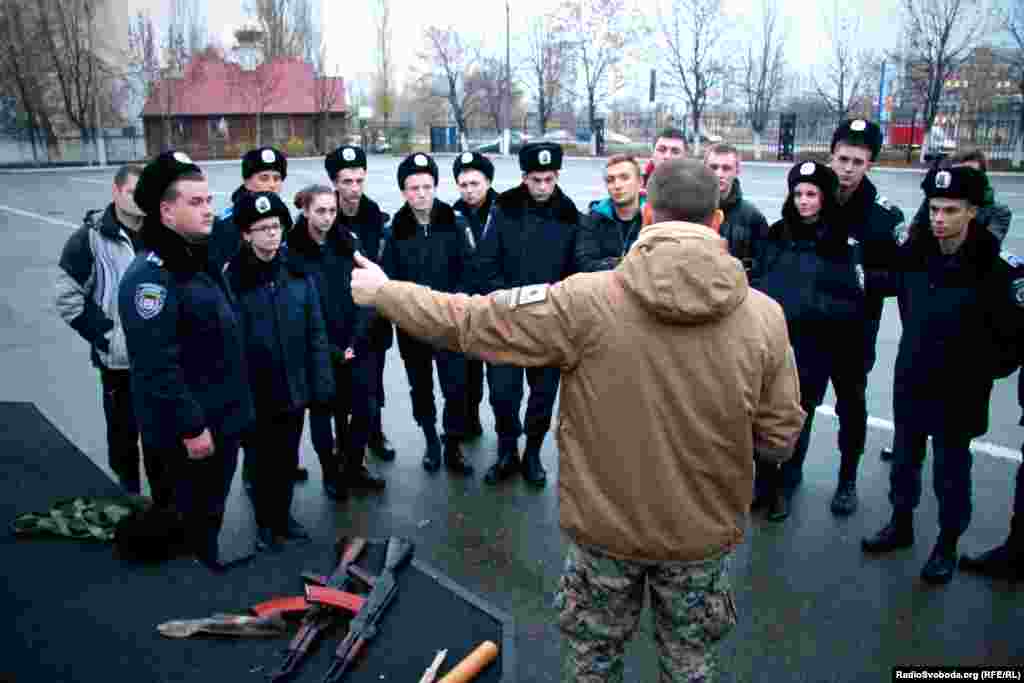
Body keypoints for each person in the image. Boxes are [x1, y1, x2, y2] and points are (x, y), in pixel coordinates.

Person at [349, 158, 806, 682]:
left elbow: (472, 321)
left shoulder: (586, 300)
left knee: (593, 668)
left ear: (648, 214)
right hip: (700, 541)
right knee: (690, 669)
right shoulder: (764, 316)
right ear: (718, 222)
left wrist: (385, 293)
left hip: (605, 538)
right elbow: (778, 439)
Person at [861, 165, 1024, 585]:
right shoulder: (917, 252)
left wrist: (981, 369)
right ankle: (901, 523)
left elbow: (1014, 337)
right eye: (934, 208)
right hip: (913, 377)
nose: (938, 218)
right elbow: (886, 282)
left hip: (961, 390)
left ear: (972, 212)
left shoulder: (996, 269)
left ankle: (947, 543)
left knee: (951, 472)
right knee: (904, 462)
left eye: (950, 210)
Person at [119, 151, 255, 572]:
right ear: (165, 210)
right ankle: (188, 588)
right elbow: (158, 365)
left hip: (221, 419)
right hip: (188, 434)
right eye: (195, 203)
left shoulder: (198, 260)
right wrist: (192, 427)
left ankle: (205, 564)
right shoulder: (152, 277)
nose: (209, 210)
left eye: (209, 200)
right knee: (183, 519)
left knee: (209, 513)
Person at [751, 161, 868, 522]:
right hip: (772, 343)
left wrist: (809, 306)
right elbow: (758, 279)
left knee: (796, 419)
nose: (803, 201)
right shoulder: (775, 235)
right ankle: (763, 484)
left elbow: (853, 300)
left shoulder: (841, 244)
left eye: (811, 194)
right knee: (762, 414)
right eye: (798, 194)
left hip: (813, 348)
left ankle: (786, 485)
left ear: (824, 198)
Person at [226, 191, 334, 552]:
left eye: (276, 227)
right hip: (256, 389)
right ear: (246, 234)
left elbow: (315, 331)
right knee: (259, 461)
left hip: (293, 385)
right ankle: (264, 523)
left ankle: (284, 517)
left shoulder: (297, 272)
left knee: (287, 456)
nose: (272, 234)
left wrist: (320, 383)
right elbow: (227, 344)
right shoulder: (233, 279)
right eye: (263, 229)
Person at [476, 141, 581, 486]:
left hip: (549, 324)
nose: (542, 187)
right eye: (535, 180)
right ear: (524, 177)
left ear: (556, 176)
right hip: (506, 319)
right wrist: (505, 301)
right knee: (503, 393)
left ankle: (532, 454)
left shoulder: (569, 214)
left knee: (542, 396)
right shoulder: (503, 206)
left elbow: (575, 272)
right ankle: (507, 451)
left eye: (548, 179)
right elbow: (487, 261)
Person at [821, 119, 903, 513]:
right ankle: (786, 475)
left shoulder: (884, 218)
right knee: (796, 403)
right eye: (842, 158)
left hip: (854, 331)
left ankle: (847, 480)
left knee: (850, 407)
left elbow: (898, 278)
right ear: (831, 155)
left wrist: (859, 277)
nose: (847, 168)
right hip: (810, 329)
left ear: (870, 163)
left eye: (857, 160)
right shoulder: (812, 200)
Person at [287, 184, 385, 499]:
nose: (328, 217)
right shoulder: (292, 251)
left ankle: (354, 466)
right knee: (322, 414)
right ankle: (331, 472)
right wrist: (327, 350)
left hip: (354, 342)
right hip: (316, 349)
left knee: (366, 408)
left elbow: (367, 291)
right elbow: (292, 309)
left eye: (332, 210)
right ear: (305, 211)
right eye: (320, 211)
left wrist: (356, 340)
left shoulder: (346, 242)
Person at [381, 153, 474, 475]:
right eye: (413, 188)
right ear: (404, 191)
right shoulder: (394, 231)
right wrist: (407, 312)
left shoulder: (454, 222)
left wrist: (454, 305)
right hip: (413, 326)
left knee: (455, 386)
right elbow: (389, 282)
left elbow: (468, 270)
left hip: (449, 322)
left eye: (426, 186)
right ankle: (431, 440)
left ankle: (453, 443)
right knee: (420, 387)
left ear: (435, 186)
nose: (421, 193)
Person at [326, 145, 397, 461]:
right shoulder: (327, 216)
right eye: (346, 182)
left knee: (374, 382)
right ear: (334, 183)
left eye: (359, 180)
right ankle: (343, 440)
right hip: (340, 316)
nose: (354, 188)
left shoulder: (374, 214)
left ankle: (374, 433)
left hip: (373, 315)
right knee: (342, 386)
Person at [453, 151, 499, 436]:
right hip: (467, 307)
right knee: (468, 373)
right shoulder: (451, 215)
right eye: (463, 184)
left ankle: (505, 436)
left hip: (497, 306)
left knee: (499, 375)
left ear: (488, 182)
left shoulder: (505, 211)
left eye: (475, 184)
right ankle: (470, 419)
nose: (469, 191)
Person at [208, 146, 288, 271]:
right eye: (264, 178)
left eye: (277, 179)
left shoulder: (284, 219)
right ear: (247, 182)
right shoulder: (227, 224)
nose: (272, 185)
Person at [575, 154, 646, 272]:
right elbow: (584, 264)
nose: (617, 185)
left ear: (640, 182)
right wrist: (628, 264)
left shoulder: (654, 217)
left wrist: (608, 263)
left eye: (624, 178)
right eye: (610, 180)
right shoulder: (593, 220)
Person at [704, 143, 768, 274]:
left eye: (726, 168)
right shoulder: (690, 210)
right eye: (713, 167)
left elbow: (761, 263)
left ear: (737, 171)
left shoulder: (752, 217)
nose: (719, 173)